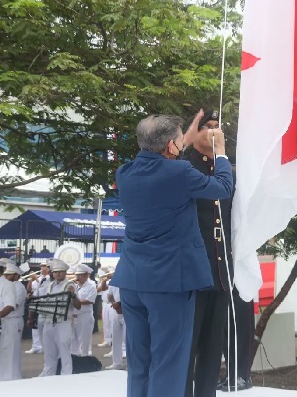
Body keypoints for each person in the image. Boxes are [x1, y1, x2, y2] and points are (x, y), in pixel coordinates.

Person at [110, 111, 233, 397]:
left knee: (140, 364)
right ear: (170, 147)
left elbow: (160, 161)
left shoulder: (125, 172)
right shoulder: (179, 172)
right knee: (169, 363)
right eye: (179, 142)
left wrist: (183, 138)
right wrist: (222, 154)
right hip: (169, 283)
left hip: (132, 281)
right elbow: (223, 188)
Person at [181, 109, 235, 397]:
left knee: (213, 352)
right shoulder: (185, 167)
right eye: (208, 127)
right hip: (192, 274)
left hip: (220, 273)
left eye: (218, 127)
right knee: (186, 351)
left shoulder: (227, 170)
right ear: (195, 132)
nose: (214, 133)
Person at [39, 258, 82, 377]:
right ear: (52, 272)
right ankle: (49, 373)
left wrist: (73, 295)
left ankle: (66, 374)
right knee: (49, 351)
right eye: (55, 271)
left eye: (60, 271)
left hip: (63, 321)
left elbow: (78, 306)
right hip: (49, 321)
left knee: (64, 349)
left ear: (65, 272)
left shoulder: (70, 285)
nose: (57, 274)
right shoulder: (49, 286)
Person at [219, 289, 255, 392]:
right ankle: (231, 373)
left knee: (242, 328)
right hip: (227, 283)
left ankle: (244, 375)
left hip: (243, 284)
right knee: (228, 329)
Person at [2, 260, 27, 380]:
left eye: (8, 274)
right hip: (6, 319)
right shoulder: (7, 286)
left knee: (13, 349)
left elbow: (13, 305)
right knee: (6, 349)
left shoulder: (19, 287)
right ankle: (7, 375)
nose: (6, 276)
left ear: (16, 275)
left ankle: (15, 376)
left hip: (14, 319)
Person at [70, 263, 97, 357]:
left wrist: (74, 300)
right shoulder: (73, 286)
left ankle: (85, 361)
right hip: (73, 316)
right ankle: (75, 360)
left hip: (84, 316)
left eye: (80, 274)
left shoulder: (91, 286)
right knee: (73, 340)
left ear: (86, 275)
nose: (78, 276)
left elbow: (89, 300)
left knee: (84, 341)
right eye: (77, 274)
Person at [26, 261, 51, 354]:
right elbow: (30, 289)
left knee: (44, 327)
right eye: (41, 266)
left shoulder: (49, 278)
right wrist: (30, 280)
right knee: (34, 325)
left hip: (44, 304)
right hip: (35, 303)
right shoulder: (38, 278)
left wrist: (36, 279)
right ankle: (36, 345)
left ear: (48, 268)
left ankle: (44, 346)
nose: (42, 268)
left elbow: (45, 288)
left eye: (44, 266)